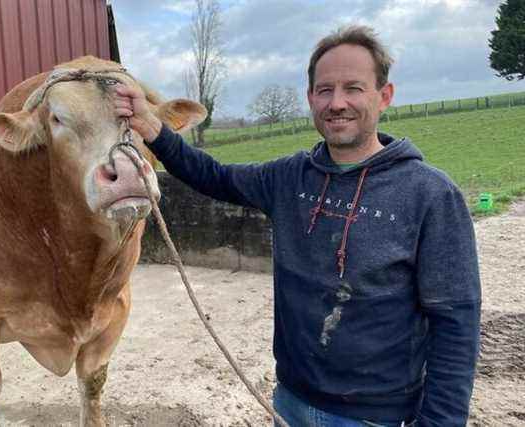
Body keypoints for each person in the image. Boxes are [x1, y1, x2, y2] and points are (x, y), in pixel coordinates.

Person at [114, 25, 481, 426]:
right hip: (289, 404)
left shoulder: (430, 194)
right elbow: (213, 175)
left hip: (377, 417)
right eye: (325, 90)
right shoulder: (290, 178)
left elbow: (455, 323)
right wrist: (152, 127)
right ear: (311, 98)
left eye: (353, 88)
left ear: (384, 96)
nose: (337, 102)